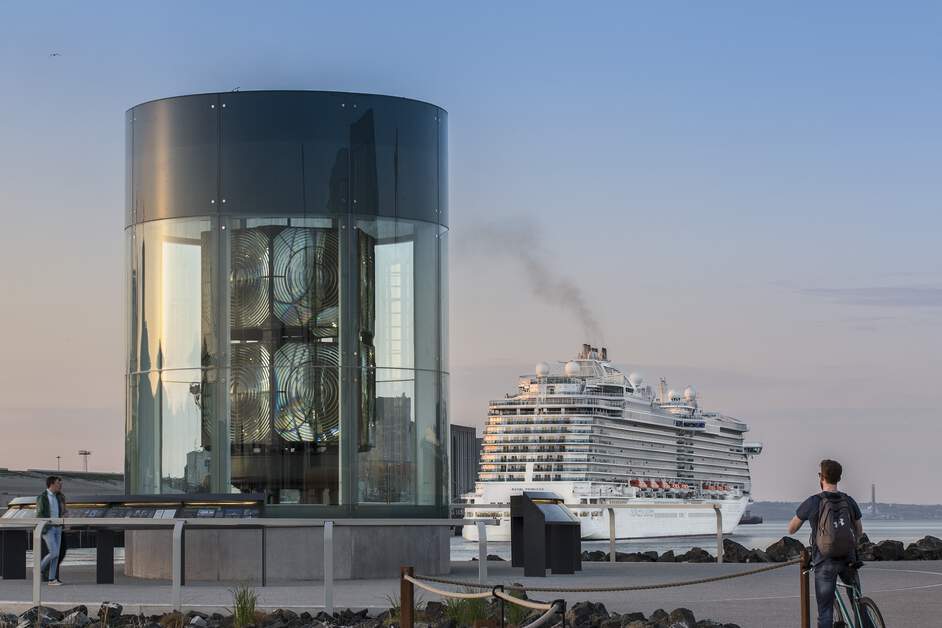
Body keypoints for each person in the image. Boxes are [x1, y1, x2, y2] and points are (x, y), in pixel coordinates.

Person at [788, 459, 863, 628]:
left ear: (821, 477)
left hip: (824, 561)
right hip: (849, 559)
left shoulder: (813, 502)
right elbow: (859, 530)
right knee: (858, 603)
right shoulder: (849, 501)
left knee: (825, 612)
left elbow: (791, 529)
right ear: (839, 478)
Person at [36, 475, 66, 586]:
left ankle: (52, 579)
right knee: (53, 553)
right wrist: (44, 525)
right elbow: (40, 514)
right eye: (59, 483)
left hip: (58, 528)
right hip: (48, 528)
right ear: (52, 484)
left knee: (56, 555)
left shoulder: (58, 497)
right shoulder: (42, 497)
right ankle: (39, 568)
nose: (60, 485)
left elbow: (61, 511)